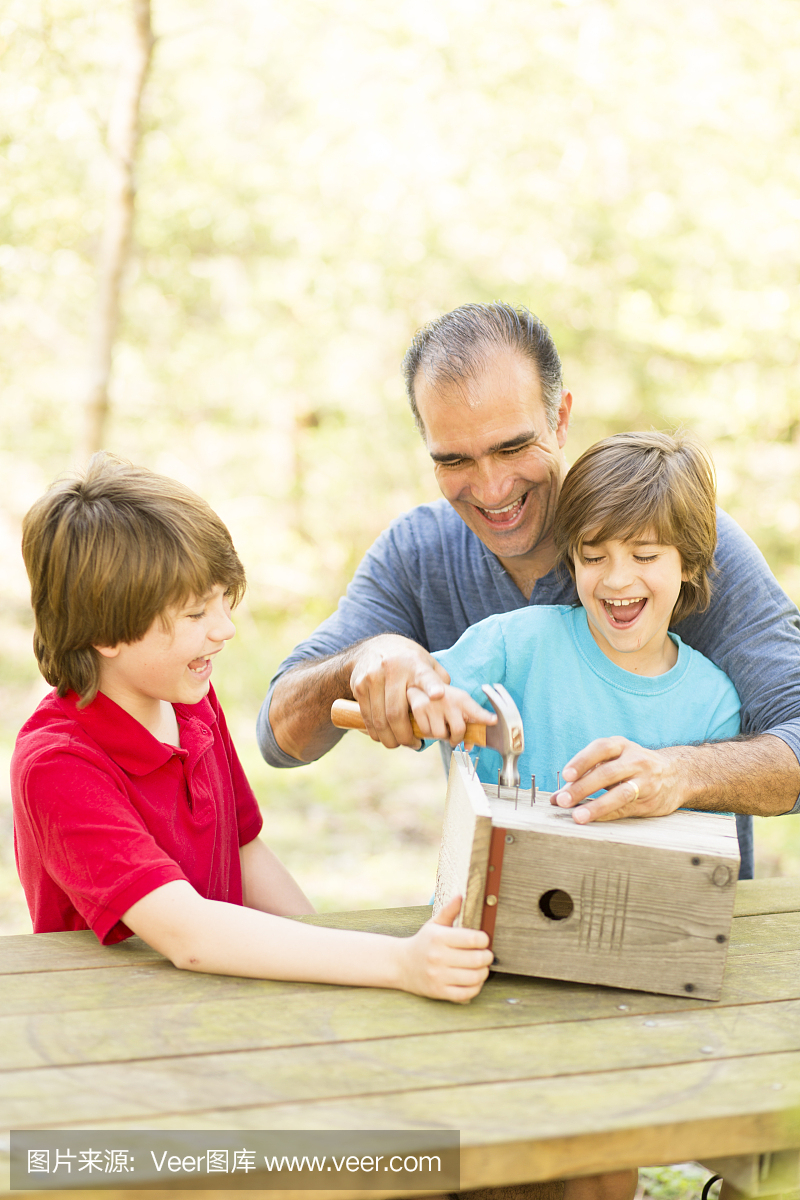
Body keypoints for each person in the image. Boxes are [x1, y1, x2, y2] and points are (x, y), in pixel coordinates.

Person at [258, 303, 800, 874]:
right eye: (455, 460)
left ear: (561, 419)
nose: (491, 488)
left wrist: (680, 773)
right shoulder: (417, 555)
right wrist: (364, 661)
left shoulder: (679, 542)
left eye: (513, 447)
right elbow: (280, 738)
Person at [11, 453, 493, 1003]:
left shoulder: (188, 699)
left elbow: (243, 849)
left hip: (217, 1006)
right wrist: (396, 962)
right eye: (196, 614)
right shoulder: (58, 765)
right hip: (109, 1028)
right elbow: (188, 935)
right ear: (106, 631)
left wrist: (334, 954)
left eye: (224, 600)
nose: (226, 629)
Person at [409, 432, 741, 807]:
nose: (617, 580)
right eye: (594, 558)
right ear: (572, 561)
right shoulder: (513, 644)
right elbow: (417, 695)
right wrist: (426, 701)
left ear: (689, 563)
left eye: (645, 556)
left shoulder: (714, 704)